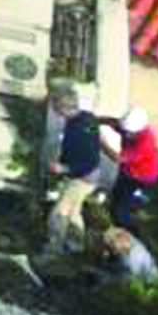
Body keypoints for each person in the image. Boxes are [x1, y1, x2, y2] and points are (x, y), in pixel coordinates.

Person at [46, 88, 104, 255]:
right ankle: (76, 247)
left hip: (83, 178)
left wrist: (65, 168)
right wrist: (62, 163)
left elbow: (90, 161)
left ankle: (54, 249)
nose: (54, 110)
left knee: (59, 214)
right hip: (87, 176)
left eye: (55, 107)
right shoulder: (85, 117)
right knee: (73, 212)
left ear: (63, 107)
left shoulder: (80, 128)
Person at [102, 106, 158, 231]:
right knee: (116, 196)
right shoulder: (130, 128)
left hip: (141, 178)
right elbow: (113, 122)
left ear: (139, 131)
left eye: (129, 133)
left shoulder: (145, 143)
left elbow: (119, 158)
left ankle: (129, 231)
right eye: (125, 131)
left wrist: (100, 142)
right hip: (128, 171)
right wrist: (94, 120)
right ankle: (115, 218)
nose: (126, 135)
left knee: (121, 209)